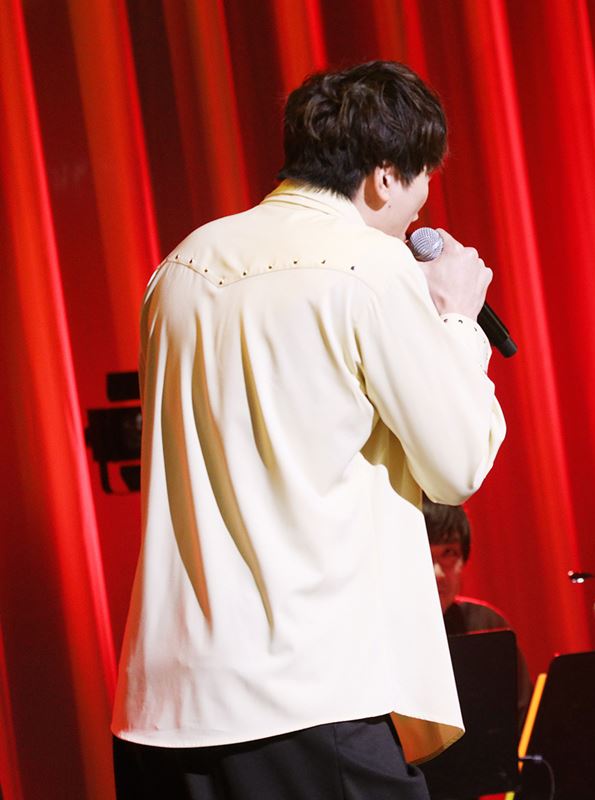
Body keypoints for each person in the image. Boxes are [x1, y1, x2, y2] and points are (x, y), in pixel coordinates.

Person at [111, 61, 506, 800]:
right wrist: (457, 319)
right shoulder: (370, 265)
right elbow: (458, 464)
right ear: (384, 178)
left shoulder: (181, 265)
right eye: (423, 180)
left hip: (167, 706)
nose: (421, 207)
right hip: (308, 696)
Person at [423, 499, 533, 720]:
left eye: (448, 553)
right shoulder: (379, 635)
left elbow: (523, 717)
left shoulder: (486, 625)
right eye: (423, 553)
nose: (438, 573)